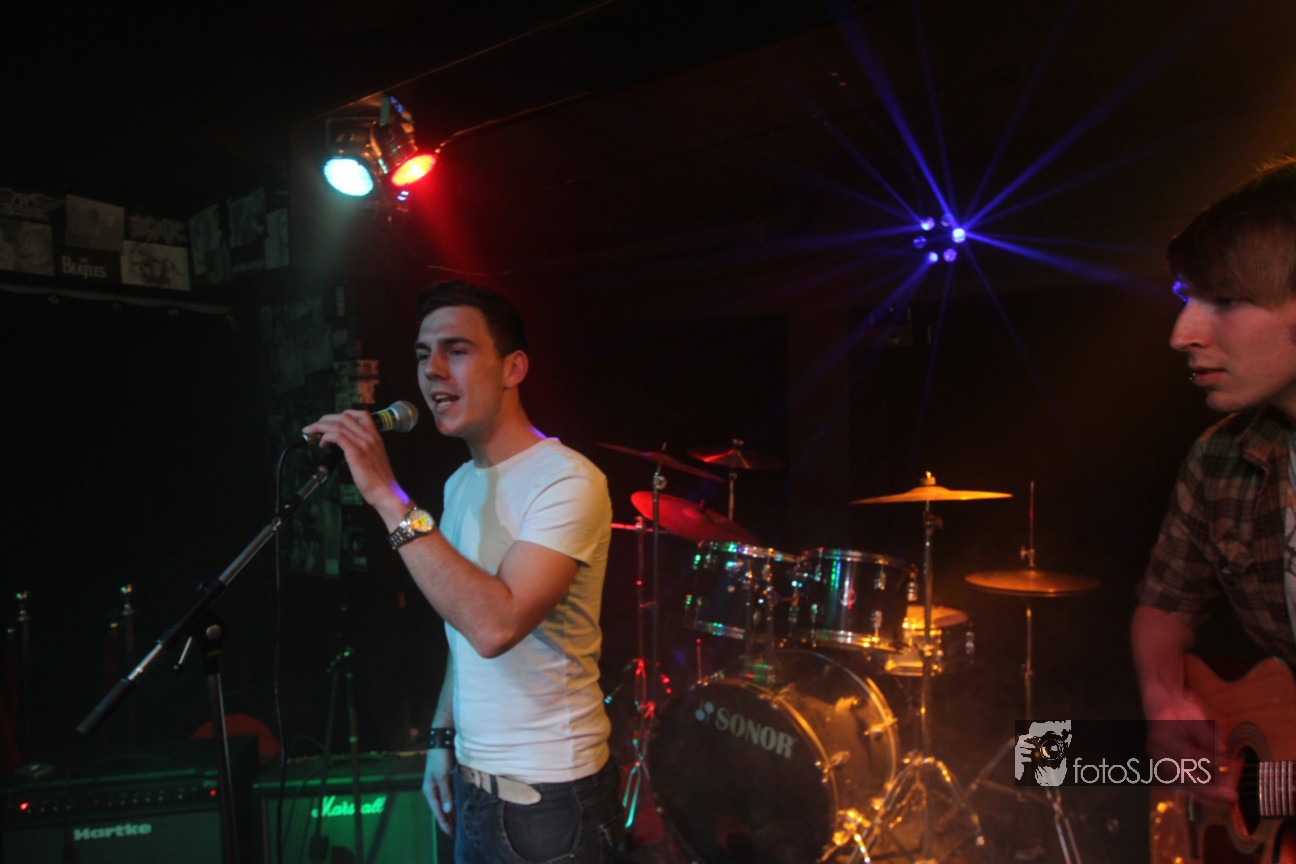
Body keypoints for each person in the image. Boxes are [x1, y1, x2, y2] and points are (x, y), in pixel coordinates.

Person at [304, 280, 624, 863]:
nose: (432, 371)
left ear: (513, 368)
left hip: (548, 798)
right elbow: (460, 623)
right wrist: (442, 736)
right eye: (423, 354)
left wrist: (386, 495)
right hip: (474, 783)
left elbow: (494, 626)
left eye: (456, 350)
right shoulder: (459, 484)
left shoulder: (567, 480)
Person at [1132, 156, 1296, 804]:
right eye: (1186, 301)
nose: (1182, 335)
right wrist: (1163, 698)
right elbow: (1164, 605)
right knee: (1046, 758)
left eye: (1225, 301)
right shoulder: (1219, 458)